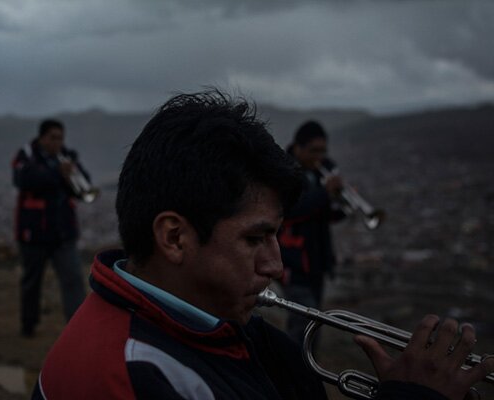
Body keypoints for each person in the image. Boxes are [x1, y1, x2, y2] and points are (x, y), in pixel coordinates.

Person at [32, 90, 492, 400]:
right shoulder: (134, 375)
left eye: (275, 234)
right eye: (255, 238)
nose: (275, 266)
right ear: (175, 237)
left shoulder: (214, 319)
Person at [12, 119, 89, 337]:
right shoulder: (26, 154)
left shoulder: (68, 157)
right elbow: (25, 180)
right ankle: (28, 325)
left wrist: (71, 174)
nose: (58, 143)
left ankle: (78, 330)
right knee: (31, 281)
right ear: (42, 138)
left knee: (73, 279)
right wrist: (58, 172)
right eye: (53, 138)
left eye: (61, 138)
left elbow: (83, 185)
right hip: (33, 233)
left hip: (63, 233)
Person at [278, 120, 346, 341]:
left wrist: (342, 203)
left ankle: (307, 370)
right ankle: (295, 371)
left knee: (314, 326)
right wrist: (326, 193)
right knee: (304, 324)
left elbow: (326, 215)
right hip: (294, 263)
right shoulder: (284, 172)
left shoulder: (322, 171)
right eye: (313, 151)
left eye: (323, 150)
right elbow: (290, 210)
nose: (319, 156)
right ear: (297, 148)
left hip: (317, 263)